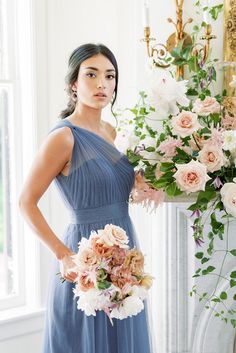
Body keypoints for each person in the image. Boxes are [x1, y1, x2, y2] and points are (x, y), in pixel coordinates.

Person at [19, 43, 153, 353]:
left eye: (110, 76)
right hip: (85, 260)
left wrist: (138, 182)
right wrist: (63, 254)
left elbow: (106, 188)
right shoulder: (63, 137)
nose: (102, 84)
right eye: (91, 74)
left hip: (124, 256)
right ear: (73, 84)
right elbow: (25, 201)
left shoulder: (111, 132)